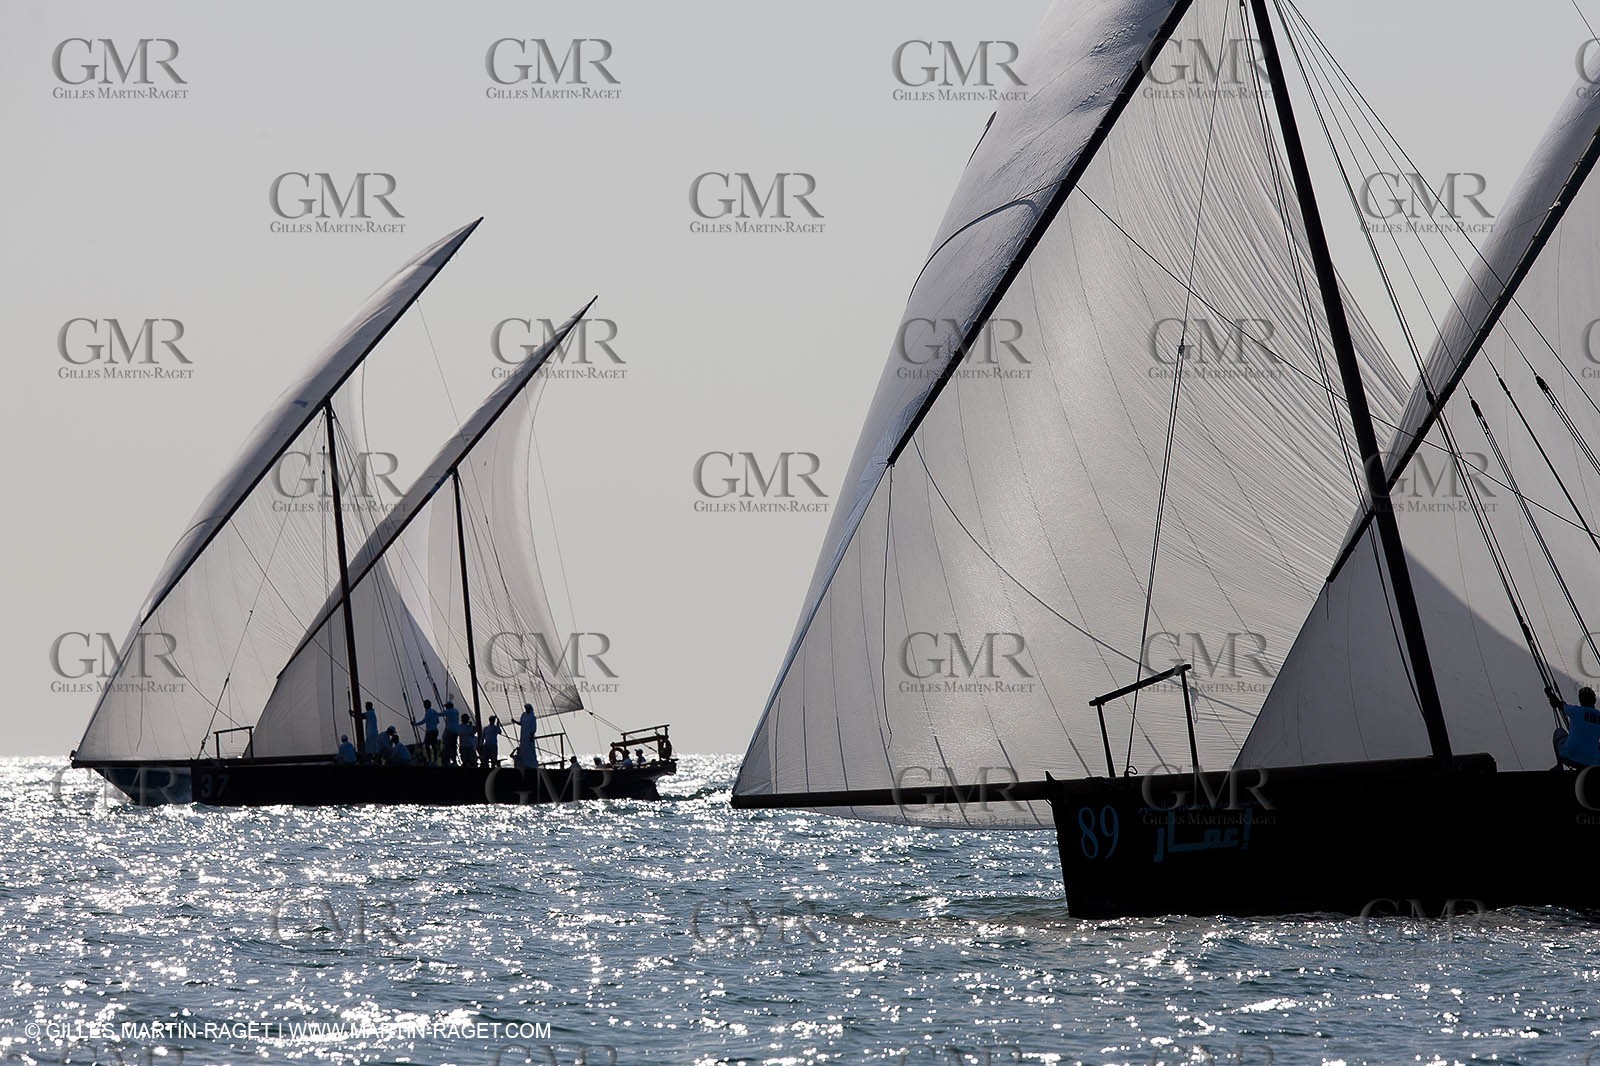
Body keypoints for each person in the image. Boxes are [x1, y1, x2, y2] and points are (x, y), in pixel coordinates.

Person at [1550, 686, 1600, 767]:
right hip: (1592, 762)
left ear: (1581, 701)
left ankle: (1559, 765)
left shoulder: (1575, 711)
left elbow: (1561, 705)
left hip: (1569, 757)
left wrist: (1552, 696)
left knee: (1558, 732)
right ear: (1594, 700)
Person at [413, 699, 441, 765]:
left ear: (425, 706)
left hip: (430, 732)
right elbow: (437, 721)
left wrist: (415, 724)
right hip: (435, 731)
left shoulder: (428, 712)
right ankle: (435, 760)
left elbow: (424, 721)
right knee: (434, 746)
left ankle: (430, 760)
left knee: (427, 746)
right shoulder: (434, 711)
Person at [441, 700, 461, 767]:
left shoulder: (449, 711)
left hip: (450, 732)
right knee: (453, 746)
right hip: (455, 732)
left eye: (446, 706)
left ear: (449, 706)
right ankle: (454, 760)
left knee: (448, 746)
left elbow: (440, 714)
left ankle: (448, 761)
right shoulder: (456, 711)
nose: (446, 707)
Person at [518, 703, 537, 768]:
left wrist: (532, 735)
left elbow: (534, 727)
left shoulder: (532, 717)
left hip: (529, 735)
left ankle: (532, 764)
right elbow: (521, 723)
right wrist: (515, 721)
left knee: (530, 749)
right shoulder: (523, 715)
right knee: (523, 749)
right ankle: (524, 764)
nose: (526, 709)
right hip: (523, 735)